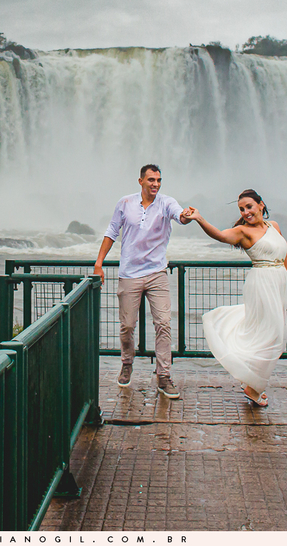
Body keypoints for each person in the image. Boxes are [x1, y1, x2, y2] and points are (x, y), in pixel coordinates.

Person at [184, 189, 287, 407]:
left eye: (249, 206)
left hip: (278, 284)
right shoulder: (242, 231)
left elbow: (283, 253)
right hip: (262, 284)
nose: (246, 212)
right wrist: (199, 218)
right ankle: (253, 387)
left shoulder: (273, 226)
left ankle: (252, 382)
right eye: (242, 209)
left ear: (261, 205)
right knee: (274, 336)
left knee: (272, 335)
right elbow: (219, 235)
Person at [94, 164, 192, 400]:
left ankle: (163, 375)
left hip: (157, 273)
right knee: (127, 326)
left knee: (164, 324)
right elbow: (112, 231)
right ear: (140, 181)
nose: (155, 184)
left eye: (158, 180)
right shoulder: (125, 203)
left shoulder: (166, 203)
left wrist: (186, 216)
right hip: (129, 273)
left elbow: (179, 216)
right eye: (151, 180)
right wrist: (99, 264)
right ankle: (127, 363)